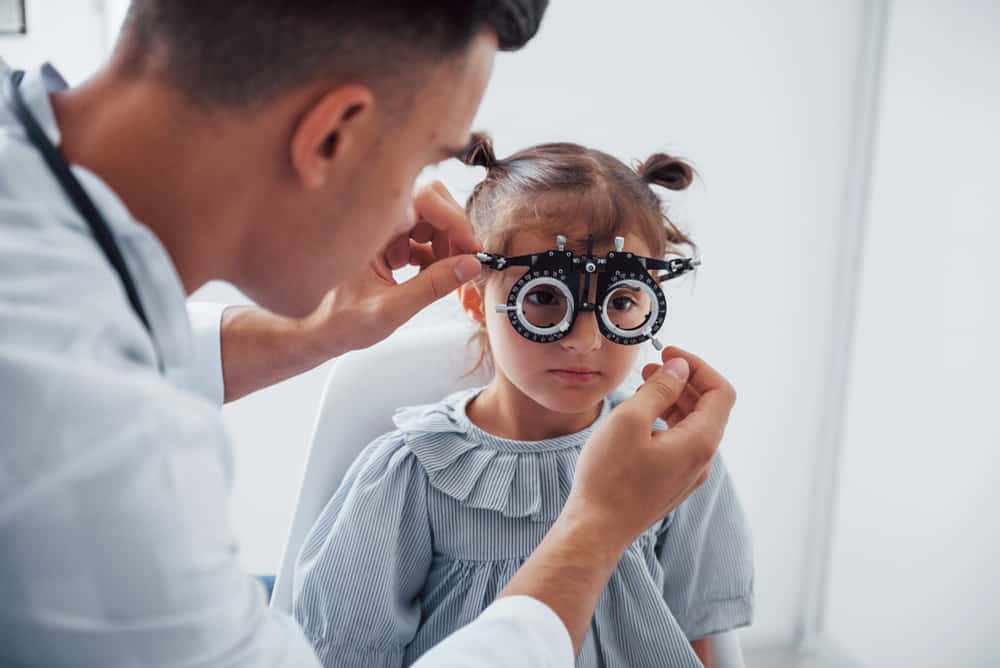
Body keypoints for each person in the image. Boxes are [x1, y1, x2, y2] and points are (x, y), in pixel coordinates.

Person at [0, 2, 737, 666]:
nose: (418, 218)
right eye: (420, 161)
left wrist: (308, 333)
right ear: (331, 136)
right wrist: (595, 530)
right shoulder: (90, 441)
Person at [291, 135, 753, 667]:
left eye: (621, 300)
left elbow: (702, 634)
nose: (584, 338)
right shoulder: (413, 474)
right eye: (543, 297)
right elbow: (346, 650)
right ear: (474, 298)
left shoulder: (675, 456)